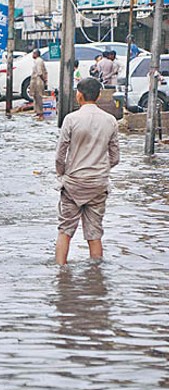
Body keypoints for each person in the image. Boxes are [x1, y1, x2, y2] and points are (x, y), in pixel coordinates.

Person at [55, 78, 120, 266]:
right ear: (99, 96)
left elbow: (60, 155)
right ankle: (96, 277)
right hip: (98, 184)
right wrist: (100, 170)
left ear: (79, 95)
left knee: (65, 231)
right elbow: (115, 157)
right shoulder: (110, 121)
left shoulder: (71, 119)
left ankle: (61, 274)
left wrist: (63, 174)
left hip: (73, 183)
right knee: (94, 234)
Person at [30, 49, 47, 119]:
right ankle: (37, 112)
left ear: (36, 54)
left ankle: (40, 113)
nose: (32, 55)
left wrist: (44, 80)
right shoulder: (36, 61)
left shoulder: (39, 61)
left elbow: (40, 72)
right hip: (35, 80)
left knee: (39, 97)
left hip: (38, 80)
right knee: (35, 97)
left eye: (33, 53)